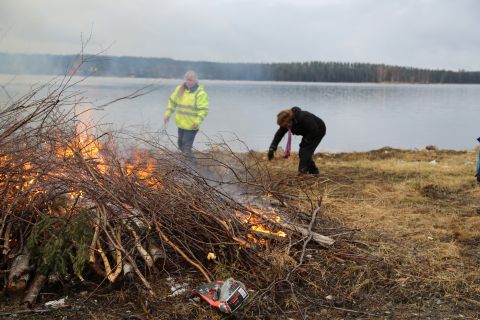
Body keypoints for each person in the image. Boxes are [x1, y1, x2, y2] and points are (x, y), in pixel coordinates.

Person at [164, 70, 209, 159]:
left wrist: (197, 121)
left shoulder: (200, 93)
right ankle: (190, 165)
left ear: (195, 80)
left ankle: (193, 167)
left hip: (192, 126)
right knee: (180, 145)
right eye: (187, 80)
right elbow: (172, 103)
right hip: (181, 124)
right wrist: (167, 114)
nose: (189, 82)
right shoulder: (179, 90)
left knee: (186, 148)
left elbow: (203, 110)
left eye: (191, 80)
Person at [268, 106, 326, 174]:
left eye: (286, 125)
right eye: (284, 126)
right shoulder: (287, 122)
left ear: (289, 120)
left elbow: (314, 130)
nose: (285, 127)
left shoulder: (304, 118)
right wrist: (272, 148)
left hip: (318, 130)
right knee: (304, 151)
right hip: (308, 131)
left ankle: (302, 171)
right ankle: (314, 171)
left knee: (304, 150)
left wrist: (306, 141)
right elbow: (279, 135)